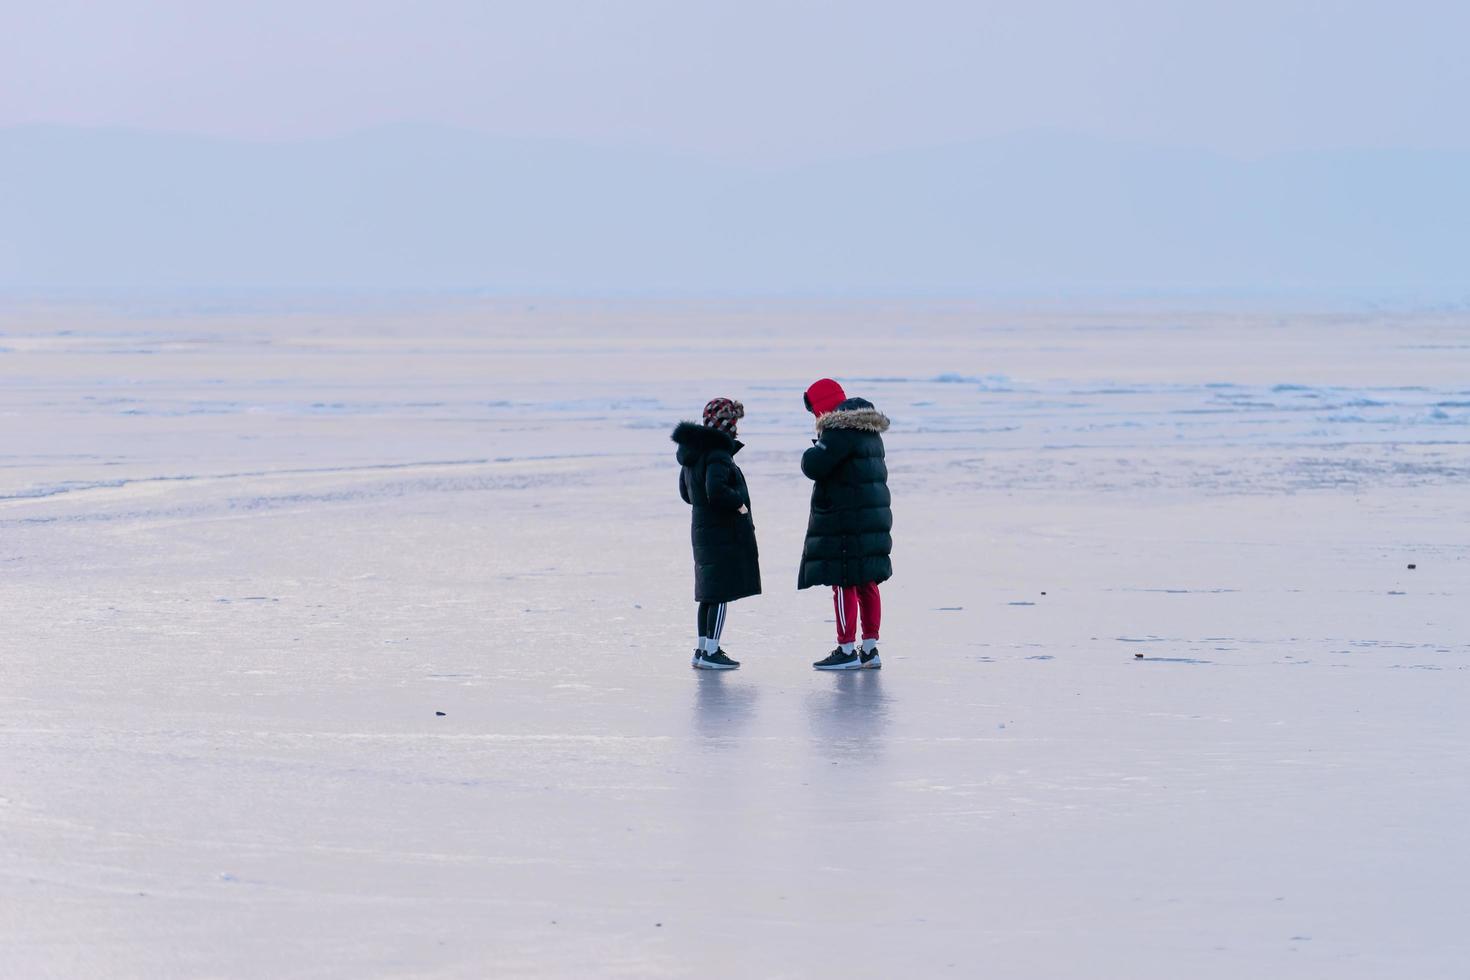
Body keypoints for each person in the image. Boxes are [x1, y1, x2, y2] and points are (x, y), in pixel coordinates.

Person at [798, 379, 892, 670]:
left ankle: (846, 648)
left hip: (846, 517)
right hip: (871, 516)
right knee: (867, 581)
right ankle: (870, 649)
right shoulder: (867, 430)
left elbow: (814, 465)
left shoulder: (838, 430)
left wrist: (814, 449)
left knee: (843, 581)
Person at [672, 398, 762, 670]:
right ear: (730, 426)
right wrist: (740, 504)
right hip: (721, 529)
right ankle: (712, 651)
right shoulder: (718, 453)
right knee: (721, 592)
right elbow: (717, 490)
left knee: (708, 592)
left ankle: (702, 649)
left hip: (700, 527)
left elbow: (686, 494)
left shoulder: (692, 453)